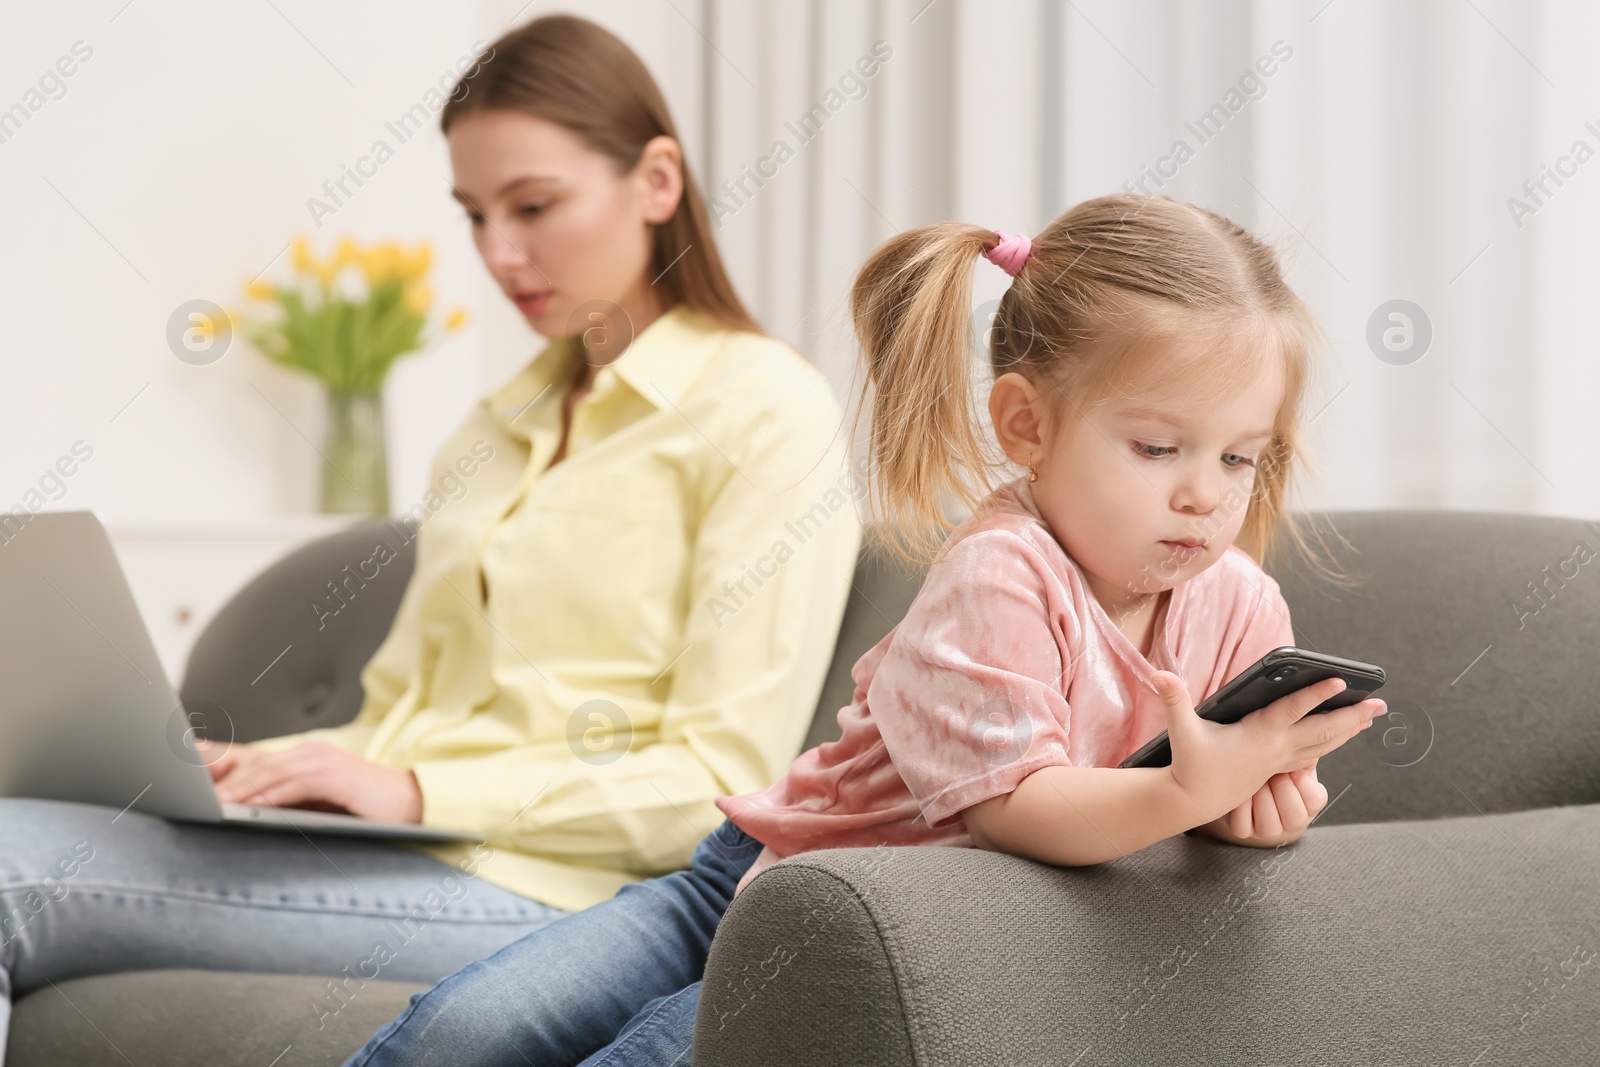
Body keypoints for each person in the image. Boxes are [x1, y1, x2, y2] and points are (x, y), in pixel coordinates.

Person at [338, 194, 1390, 1067]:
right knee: (463, 1031)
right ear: (1026, 424)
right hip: (769, 873)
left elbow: (1186, 807)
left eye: (1239, 458)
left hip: (873, 930)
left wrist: (1255, 810)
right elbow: (1018, 810)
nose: (1205, 496)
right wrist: (1183, 793)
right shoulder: (1002, 568)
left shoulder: (1243, 606)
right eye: (1160, 447)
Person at [0, 13, 860, 1057]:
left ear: (657, 181)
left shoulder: (763, 410)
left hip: (559, 888)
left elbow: (717, 775)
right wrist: (271, 771)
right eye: (474, 214)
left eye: (534, 206)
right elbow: (405, 704)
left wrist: (416, 789)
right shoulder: (491, 426)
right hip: (396, 848)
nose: (500, 253)